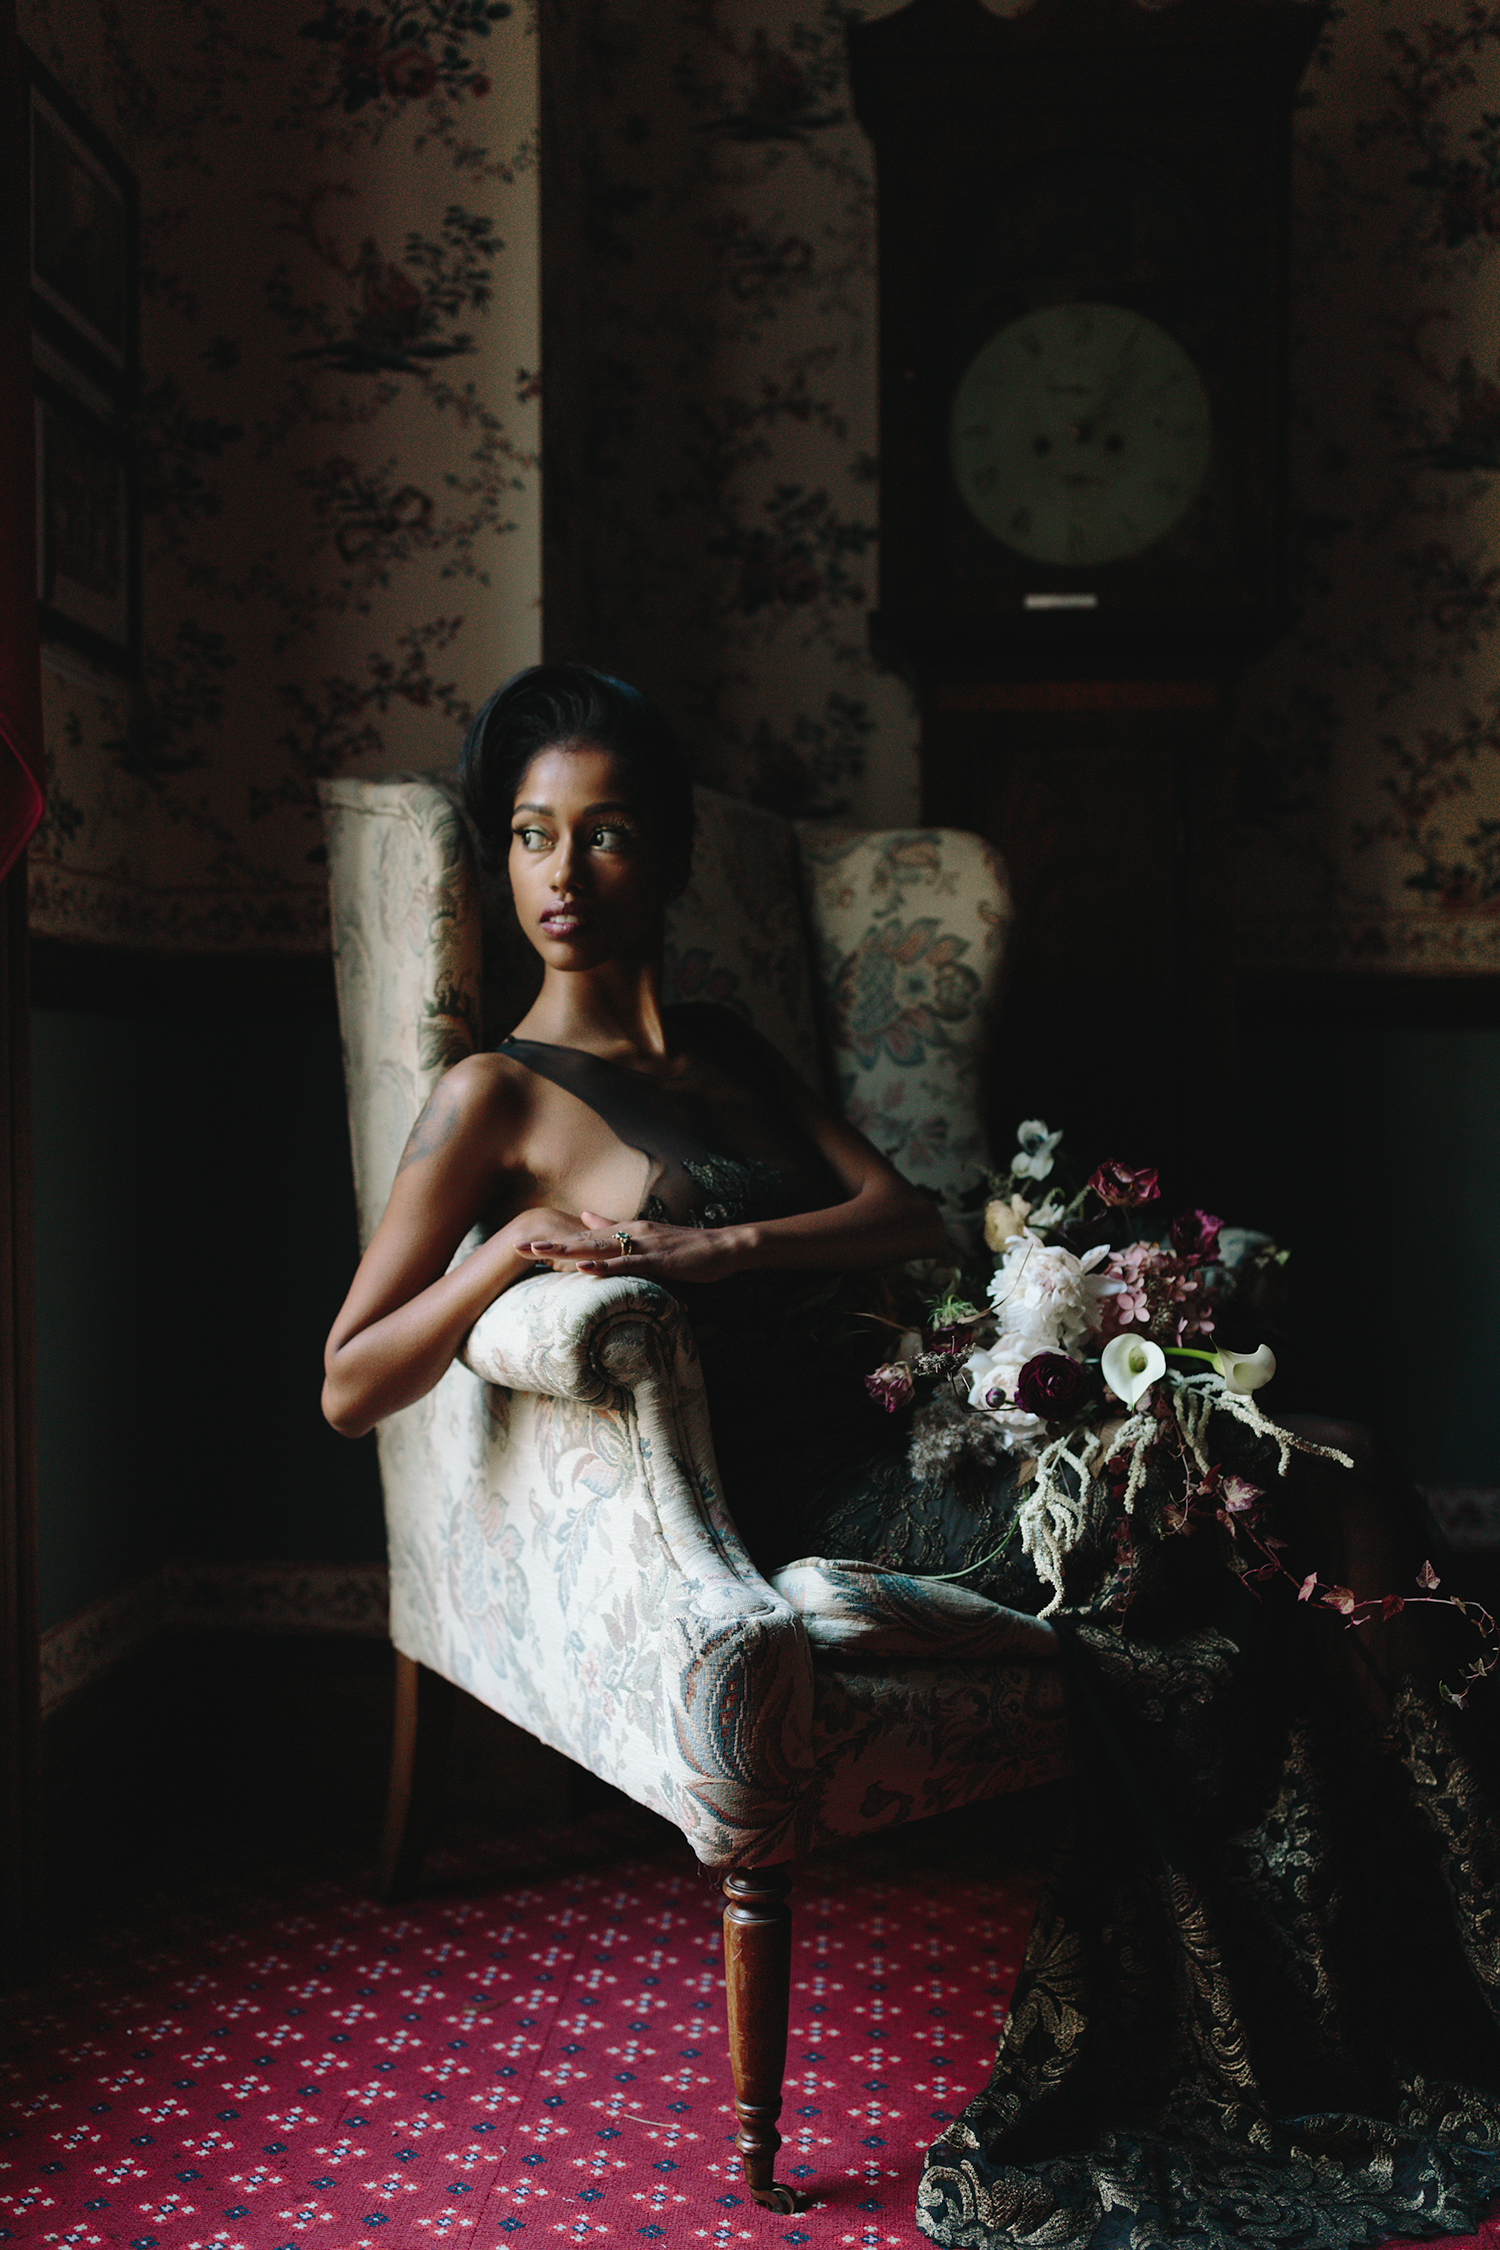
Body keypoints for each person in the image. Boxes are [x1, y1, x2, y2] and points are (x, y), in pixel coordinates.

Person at [324, 664, 1500, 2250]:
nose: (560, 875)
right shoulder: (492, 1095)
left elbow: (908, 1216)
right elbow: (348, 1377)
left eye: (604, 836)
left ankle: (1427, 1953)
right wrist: (511, 1248)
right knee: (1310, 1494)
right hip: (818, 1498)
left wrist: (725, 1242)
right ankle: (1433, 1965)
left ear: (667, 855)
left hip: (925, 1428)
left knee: (1340, 1462)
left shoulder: (730, 1048)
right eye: (531, 836)